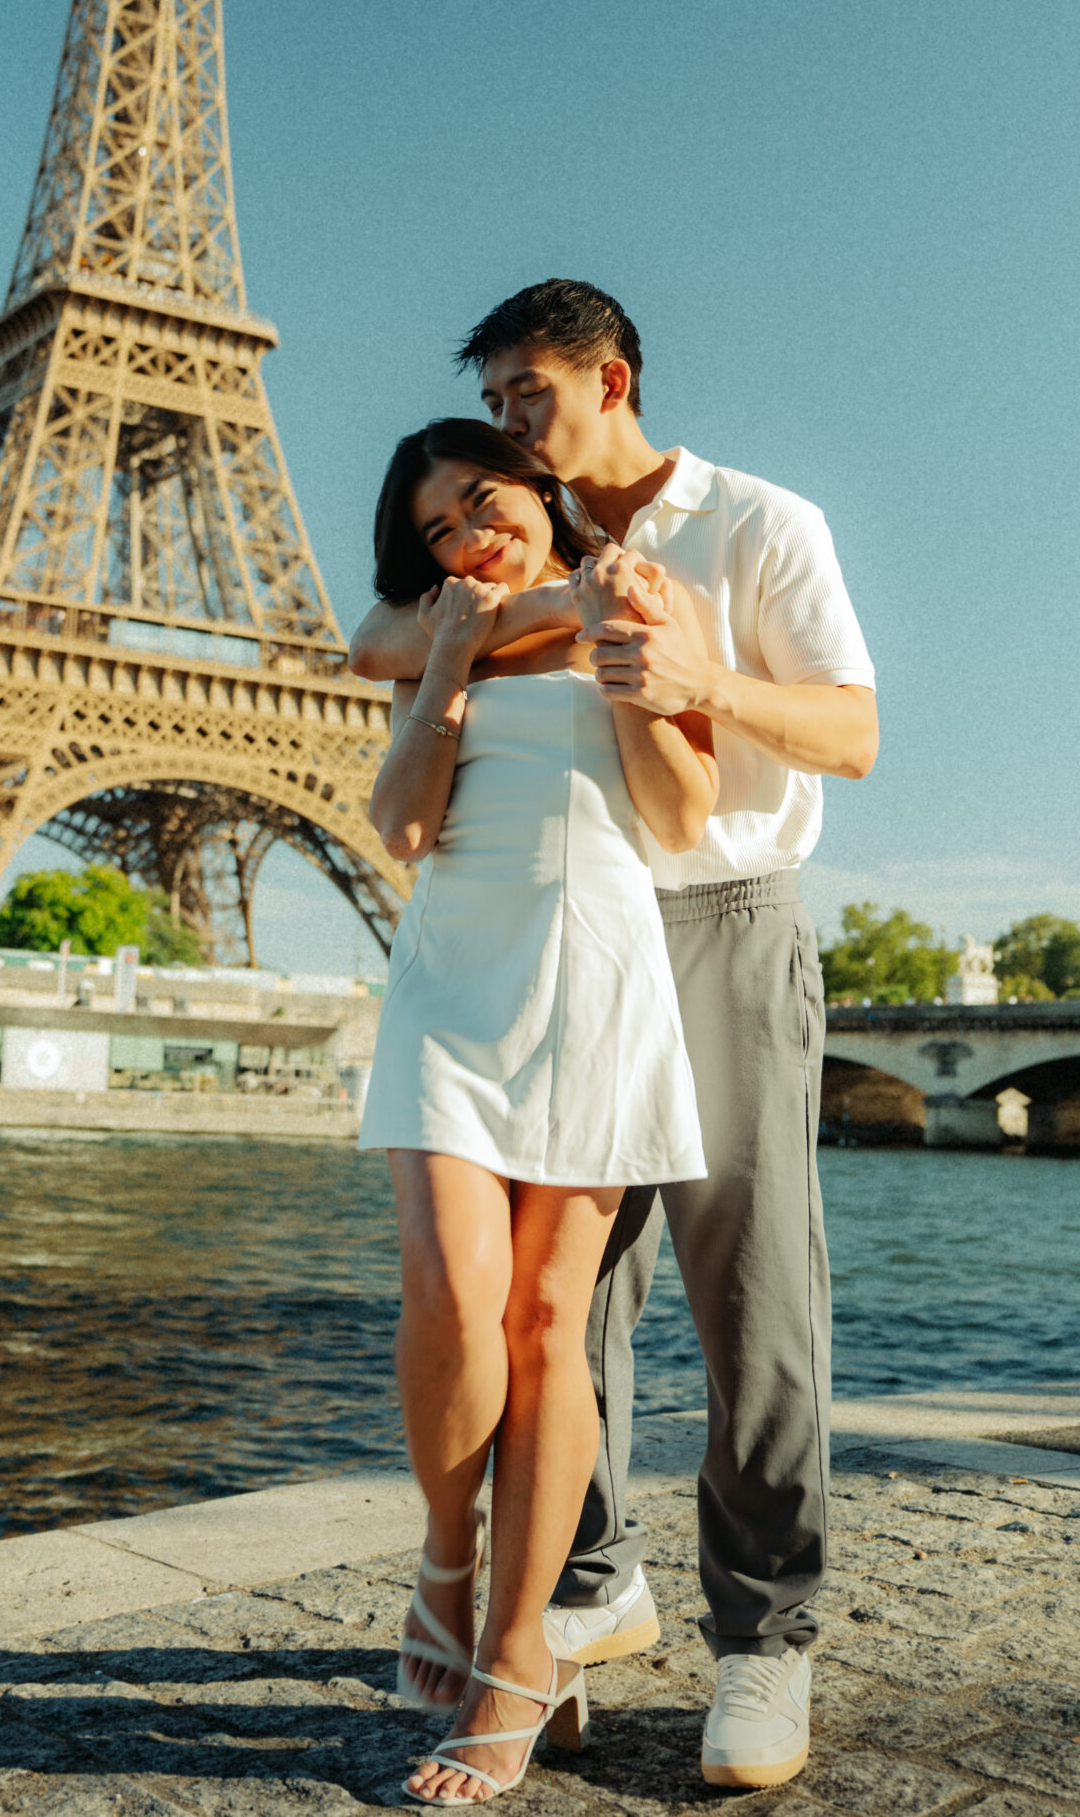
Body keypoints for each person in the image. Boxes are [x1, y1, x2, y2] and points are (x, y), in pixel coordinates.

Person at [352, 280, 877, 1794]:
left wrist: (690, 672)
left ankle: (765, 1639)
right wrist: (545, 613)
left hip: (709, 916)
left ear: (611, 377)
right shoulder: (515, 557)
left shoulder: (755, 524)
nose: (510, 426)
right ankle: (575, 1592)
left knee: (751, 1299)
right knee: (554, 1318)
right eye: (496, 409)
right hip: (530, 939)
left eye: (527, 397)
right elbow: (383, 642)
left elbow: (851, 731)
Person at [357, 417, 717, 1804]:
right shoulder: (427, 632)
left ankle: (518, 1655)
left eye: (483, 501)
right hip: (455, 976)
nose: (465, 537)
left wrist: (628, 677)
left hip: (598, 974)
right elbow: (399, 829)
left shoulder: (641, 604)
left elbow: (681, 817)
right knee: (450, 1293)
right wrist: (451, 658)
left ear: (541, 491)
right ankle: (446, 1560)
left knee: (550, 1321)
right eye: (437, 526)